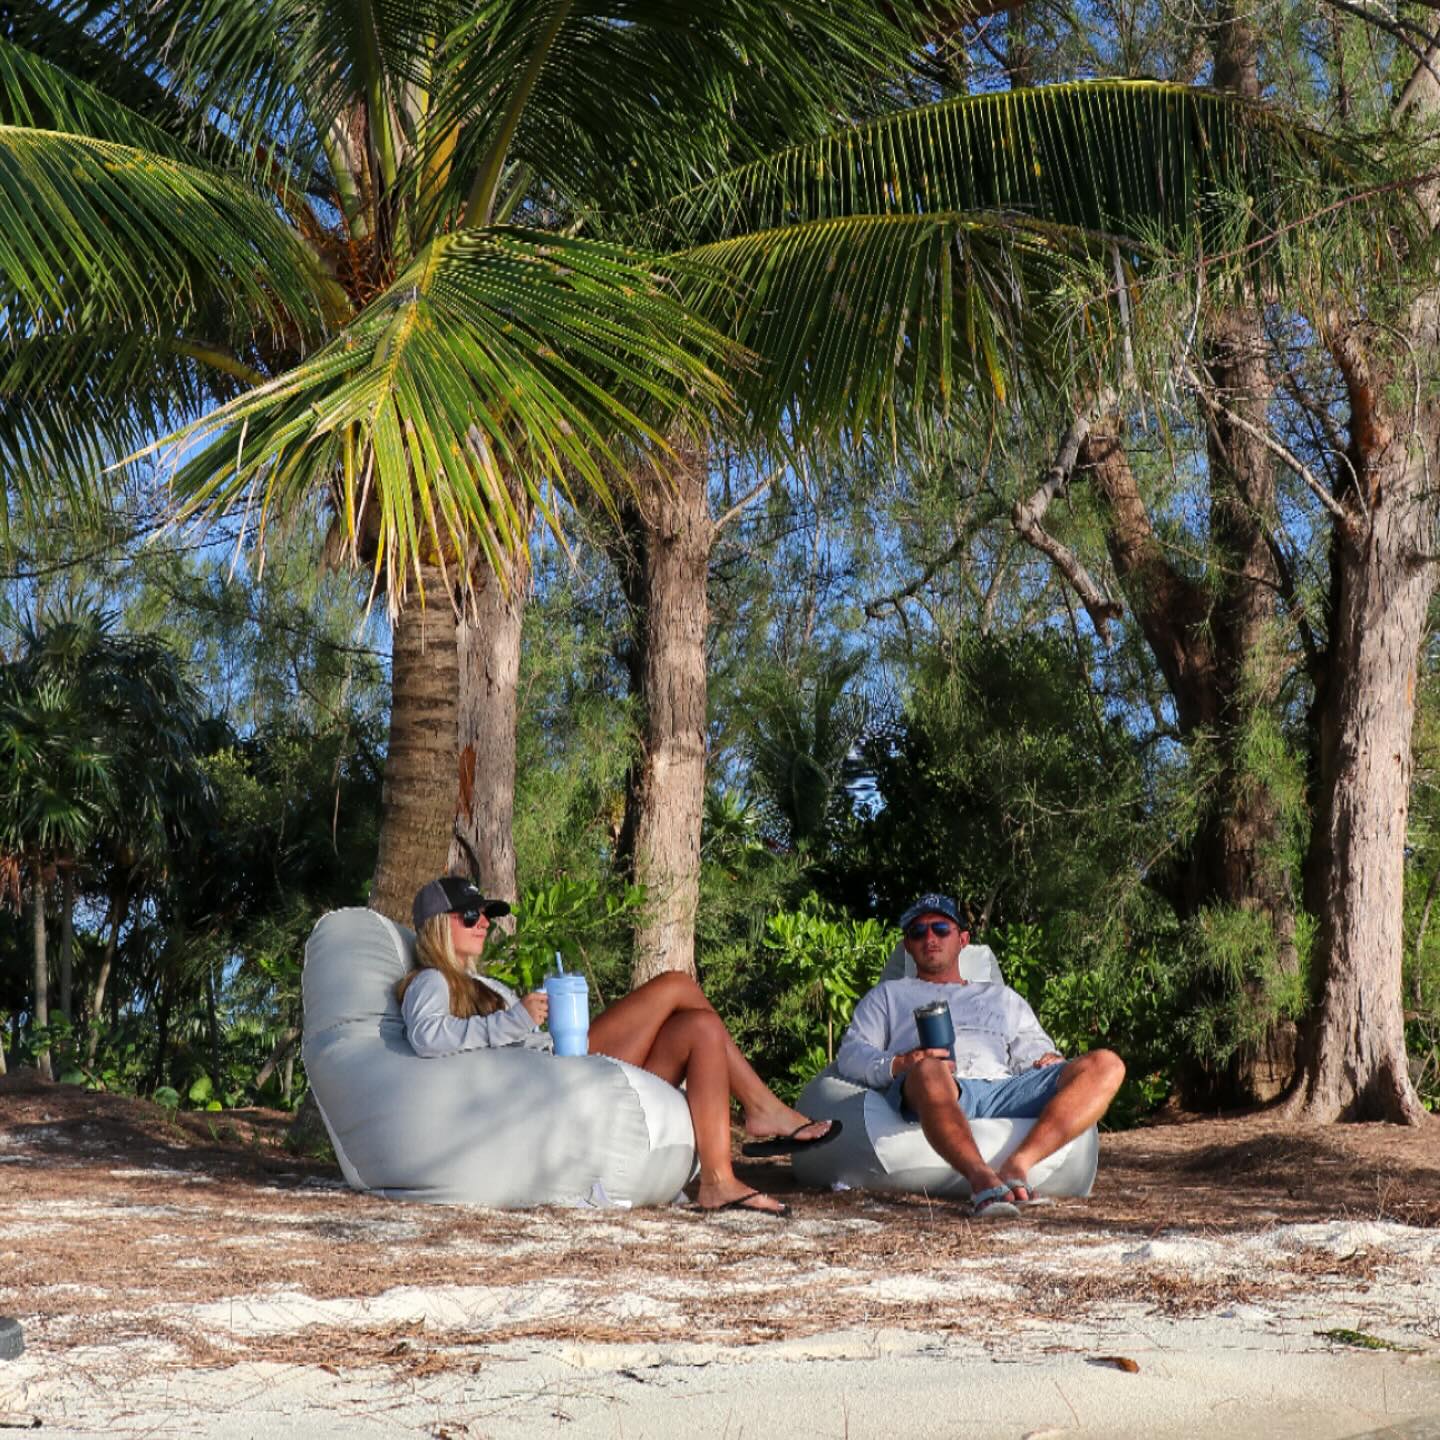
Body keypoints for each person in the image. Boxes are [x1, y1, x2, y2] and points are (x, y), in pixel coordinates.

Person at [397, 875, 840, 1217]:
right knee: (677, 984)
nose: (483, 923)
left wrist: (528, 1018)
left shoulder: (484, 983)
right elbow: (427, 1037)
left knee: (701, 1027)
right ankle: (762, 1108)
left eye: (485, 915)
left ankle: (718, 1181)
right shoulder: (431, 981)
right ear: (437, 926)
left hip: (565, 1069)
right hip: (561, 1078)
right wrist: (514, 1020)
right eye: (469, 916)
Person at [836, 892, 1125, 1220]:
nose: (929, 938)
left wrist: (1046, 1058)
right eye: (918, 932)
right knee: (930, 1070)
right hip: (939, 1087)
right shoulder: (887, 996)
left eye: (940, 929)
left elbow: (1032, 1048)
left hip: (1006, 1088)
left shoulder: (1001, 997)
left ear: (962, 940)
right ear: (908, 946)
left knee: (1107, 1064)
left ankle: (1017, 1167)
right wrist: (903, 1063)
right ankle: (980, 1178)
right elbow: (852, 1053)